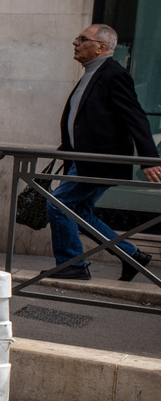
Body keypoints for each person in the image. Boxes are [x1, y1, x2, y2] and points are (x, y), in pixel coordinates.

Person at [45, 24, 161, 281]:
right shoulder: (92, 72)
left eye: (83, 39)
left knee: (58, 203)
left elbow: (135, 117)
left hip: (98, 162)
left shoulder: (113, 74)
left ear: (102, 47)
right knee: (80, 213)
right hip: (82, 160)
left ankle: (72, 264)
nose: (75, 42)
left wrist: (149, 160)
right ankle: (131, 255)